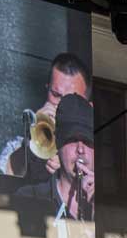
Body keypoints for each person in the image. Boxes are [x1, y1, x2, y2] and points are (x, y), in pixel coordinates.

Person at [0, 53, 92, 186]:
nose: (61, 105)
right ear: (47, 89)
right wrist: (30, 147)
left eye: (70, 100)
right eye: (55, 95)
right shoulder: (21, 144)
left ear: (88, 105)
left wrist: (68, 163)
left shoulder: (91, 152)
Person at [12, 93, 95, 221]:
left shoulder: (109, 205)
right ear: (58, 143)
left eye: (88, 141)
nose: (80, 149)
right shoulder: (28, 198)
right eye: (72, 139)